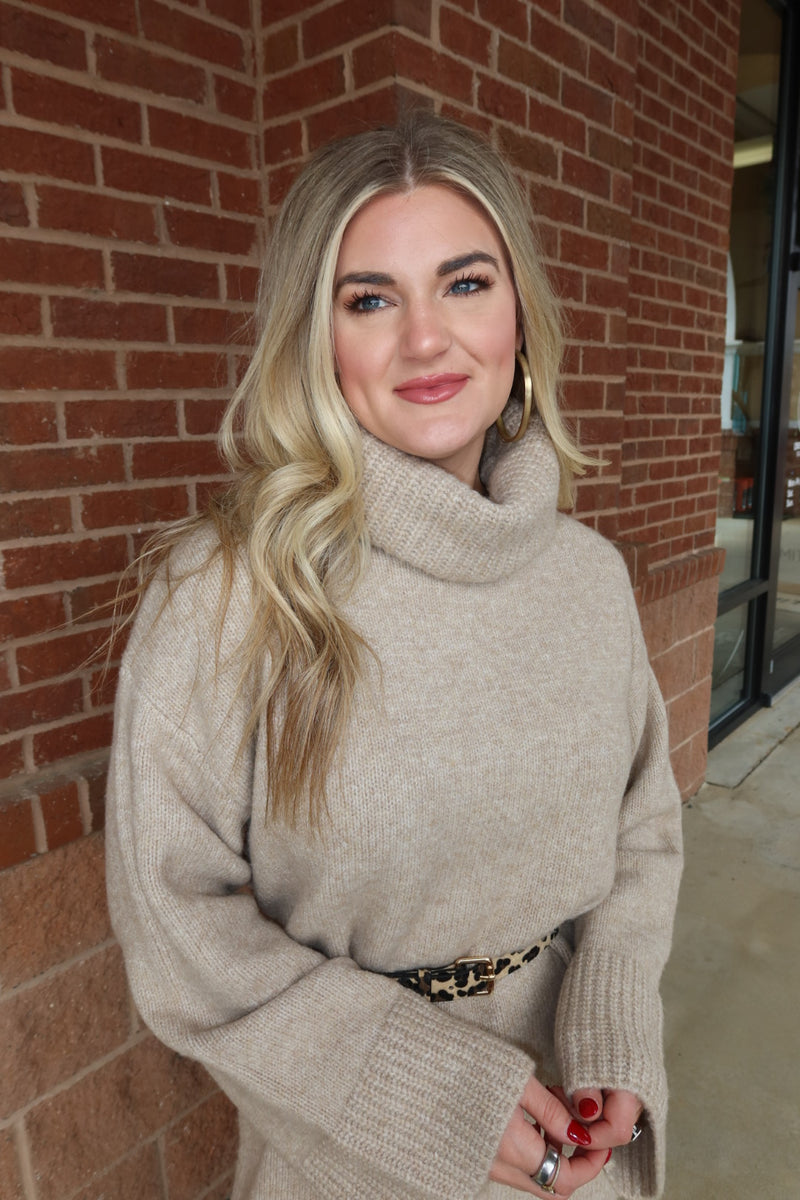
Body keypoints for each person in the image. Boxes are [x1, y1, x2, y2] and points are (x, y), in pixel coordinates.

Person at [105, 112, 683, 1200]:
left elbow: (642, 831)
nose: (426, 341)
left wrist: (612, 1028)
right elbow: (176, 923)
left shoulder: (586, 579)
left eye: (464, 284)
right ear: (313, 337)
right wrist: (431, 1092)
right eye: (369, 299)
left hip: (580, 1148)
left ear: (518, 311)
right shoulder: (227, 593)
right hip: (347, 1157)